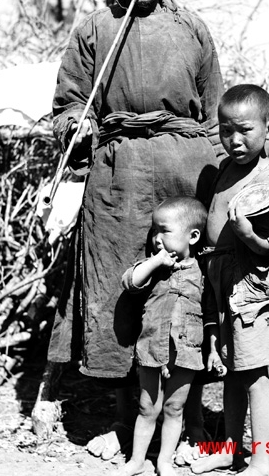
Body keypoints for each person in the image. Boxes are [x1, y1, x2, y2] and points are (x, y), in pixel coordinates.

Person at [47, 0, 223, 460]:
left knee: (191, 290)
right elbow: (67, 105)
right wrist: (77, 126)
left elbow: (215, 112)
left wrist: (219, 182)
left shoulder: (193, 28)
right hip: (118, 176)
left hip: (184, 169)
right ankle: (127, 426)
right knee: (120, 291)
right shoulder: (95, 29)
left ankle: (191, 424)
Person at [192, 84, 269, 476]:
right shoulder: (225, 170)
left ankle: (263, 459)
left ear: (268, 130)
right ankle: (230, 449)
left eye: (244, 130)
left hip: (253, 291)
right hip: (222, 284)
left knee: (256, 376)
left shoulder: (266, 183)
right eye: (225, 130)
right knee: (234, 374)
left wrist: (247, 234)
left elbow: (268, 249)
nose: (234, 140)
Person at [115, 197, 225, 476]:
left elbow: (211, 314)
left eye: (164, 231)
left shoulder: (202, 271)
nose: (156, 238)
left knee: (175, 408)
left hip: (187, 351)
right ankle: (137, 461)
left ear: (193, 236)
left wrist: (213, 349)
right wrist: (155, 262)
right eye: (154, 231)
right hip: (152, 348)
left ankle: (164, 460)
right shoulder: (153, 268)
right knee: (147, 408)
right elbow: (130, 281)